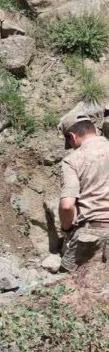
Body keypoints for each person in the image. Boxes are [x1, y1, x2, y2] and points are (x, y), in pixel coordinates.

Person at [58, 113, 109, 272]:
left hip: (91, 235)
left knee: (67, 285)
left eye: (70, 143)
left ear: (72, 136)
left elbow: (67, 206)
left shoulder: (73, 160)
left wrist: (67, 229)